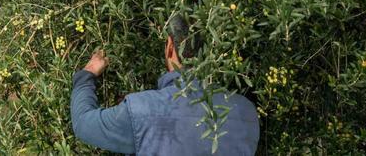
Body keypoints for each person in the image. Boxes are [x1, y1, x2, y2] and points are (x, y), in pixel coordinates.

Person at [70, 16, 259, 155]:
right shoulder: (247, 112)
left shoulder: (141, 111)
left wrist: (87, 74)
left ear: (170, 48)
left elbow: (83, 123)